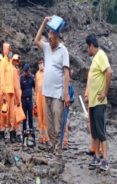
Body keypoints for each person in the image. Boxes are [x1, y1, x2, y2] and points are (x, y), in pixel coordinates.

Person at [34, 16, 70, 156]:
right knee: (49, 126)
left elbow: (66, 73)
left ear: (57, 36)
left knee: (57, 123)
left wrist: (66, 93)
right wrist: (43, 23)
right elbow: (36, 40)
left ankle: (58, 149)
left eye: (51, 36)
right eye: (48, 35)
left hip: (58, 94)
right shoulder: (47, 48)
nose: (49, 38)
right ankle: (55, 147)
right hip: (46, 92)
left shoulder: (63, 50)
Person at [86, 34, 112, 171]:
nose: (87, 50)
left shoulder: (101, 55)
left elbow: (109, 72)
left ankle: (105, 160)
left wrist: (105, 92)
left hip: (99, 102)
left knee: (101, 131)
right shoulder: (95, 59)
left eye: (87, 47)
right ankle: (96, 157)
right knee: (95, 132)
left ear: (91, 45)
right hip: (93, 102)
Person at [0, 42, 16, 143]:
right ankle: (2, 133)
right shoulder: (2, 63)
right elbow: (2, 78)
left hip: (11, 92)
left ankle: (12, 134)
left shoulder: (10, 63)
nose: (10, 51)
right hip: (5, 93)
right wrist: (4, 94)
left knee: (12, 115)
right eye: (8, 49)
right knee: (4, 114)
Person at [34, 58, 50, 149]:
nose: (40, 65)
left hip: (45, 96)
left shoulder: (47, 73)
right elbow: (36, 87)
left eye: (41, 63)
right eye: (39, 63)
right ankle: (41, 137)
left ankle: (47, 138)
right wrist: (35, 100)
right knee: (40, 117)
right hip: (38, 97)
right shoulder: (37, 74)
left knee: (45, 118)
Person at [20, 64, 35, 142]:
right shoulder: (21, 78)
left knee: (30, 118)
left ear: (29, 70)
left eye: (27, 71)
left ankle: (32, 136)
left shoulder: (31, 78)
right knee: (24, 118)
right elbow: (19, 88)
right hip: (23, 100)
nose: (26, 73)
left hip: (30, 100)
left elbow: (35, 87)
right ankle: (24, 136)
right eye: (25, 71)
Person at [12, 54, 23, 143]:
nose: (17, 62)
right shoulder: (13, 71)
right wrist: (18, 98)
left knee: (15, 117)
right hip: (14, 97)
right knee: (16, 117)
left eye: (17, 61)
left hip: (15, 96)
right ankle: (16, 134)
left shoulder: (15, 70)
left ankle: (15, 134)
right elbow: (15, 86)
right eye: (15, 61)